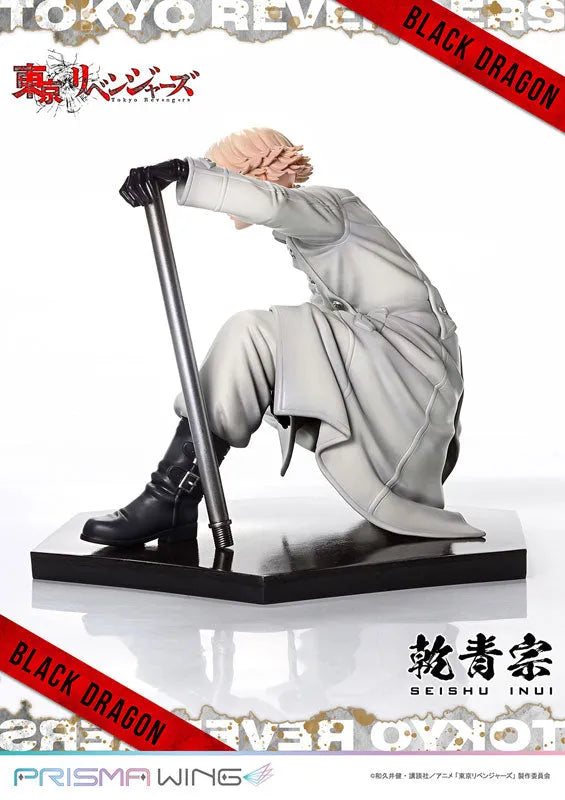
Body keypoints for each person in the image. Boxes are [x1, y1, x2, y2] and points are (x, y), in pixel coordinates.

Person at [82, 128, 483, 547]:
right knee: (261, 340)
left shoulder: (329, 206)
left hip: (404, 358)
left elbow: (273, 204)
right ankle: (175, 495)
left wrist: (187, 172)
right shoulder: (306, 229)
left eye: (230, 176)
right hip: (383, 351)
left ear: (259, 172)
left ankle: (169, 497)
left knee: (253, 333)